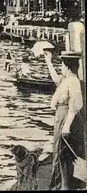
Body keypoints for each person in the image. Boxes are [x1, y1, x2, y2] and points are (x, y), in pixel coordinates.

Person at [43, 51, 85, 190]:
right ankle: (62, 183)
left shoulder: (72, 81)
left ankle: (65, 185)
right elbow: (56, 79)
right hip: (62, 117)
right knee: (59, 150)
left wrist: (66, 126)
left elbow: (76, 104)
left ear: (67, 66)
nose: (60, 67)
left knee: (64, 152)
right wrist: (48, 61)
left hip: (67, 118)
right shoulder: (66, 79)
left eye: (61, 64)